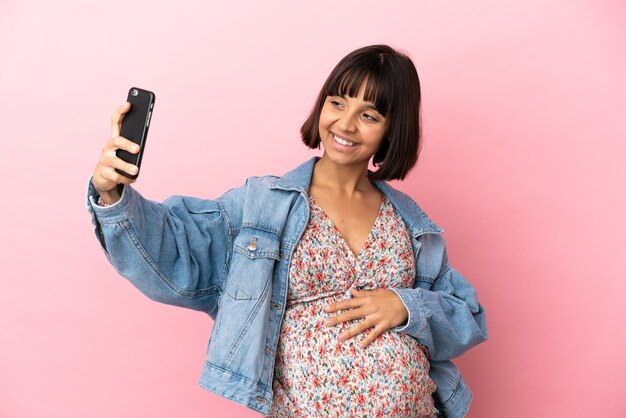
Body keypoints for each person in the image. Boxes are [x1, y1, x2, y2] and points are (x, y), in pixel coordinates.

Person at [87, 44, 487, 417]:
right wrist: (112, 195)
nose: (345, 124)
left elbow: (467, 318)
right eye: (337, 103)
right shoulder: (263, 204)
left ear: (391, 129)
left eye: (369, 115)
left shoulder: (411, 224)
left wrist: (407, 307)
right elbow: (177, 250)